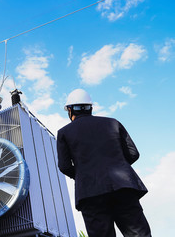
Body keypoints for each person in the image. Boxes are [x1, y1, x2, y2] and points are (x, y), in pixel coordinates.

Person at [57, 89, 151, 237]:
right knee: (139, 234)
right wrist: (119, 165)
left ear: (70, 110)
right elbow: (133, 153)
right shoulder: (113, 122)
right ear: (91, 108)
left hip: (90, 193)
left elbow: (64, 166)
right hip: (124, 188)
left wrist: (83, 174)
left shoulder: (64, 133)